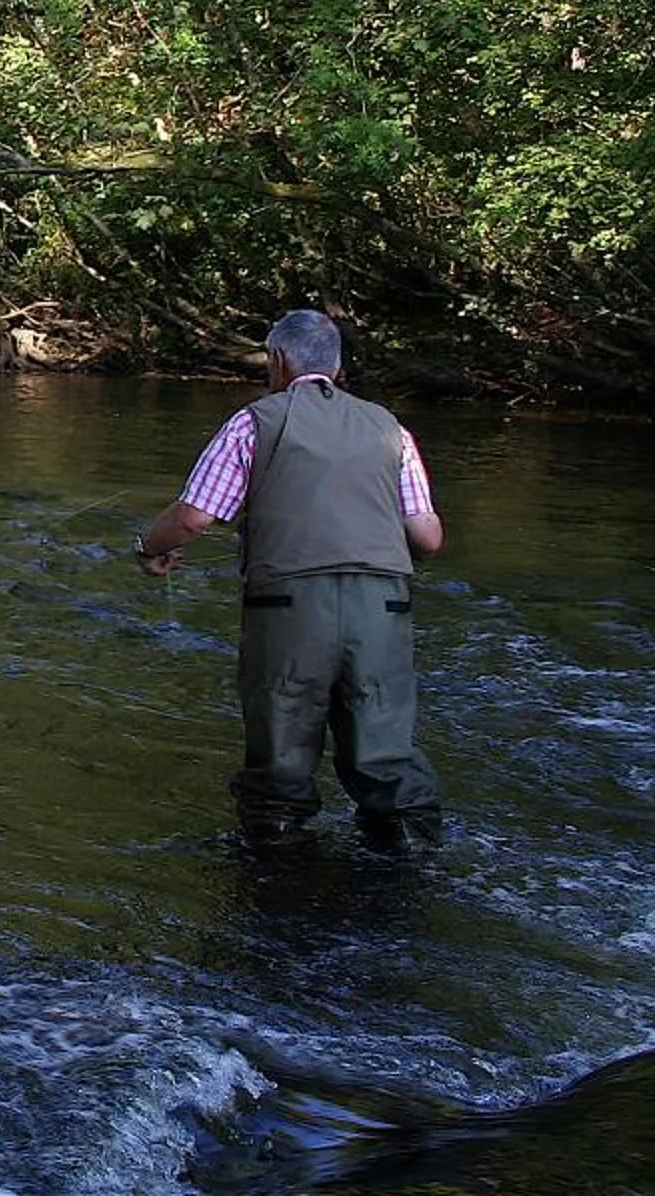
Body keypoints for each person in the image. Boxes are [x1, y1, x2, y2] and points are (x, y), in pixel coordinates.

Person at [136, 309, 446, 847]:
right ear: (339, 366)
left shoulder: (255, 421)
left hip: (288, 605)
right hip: (384, 607)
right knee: (386, 749)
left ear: (278, 361)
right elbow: (428, 538)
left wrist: (149, 548)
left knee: (281, 752)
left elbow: (194, 518)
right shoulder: (390, 428)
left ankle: (278, 882)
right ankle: (408, 866)